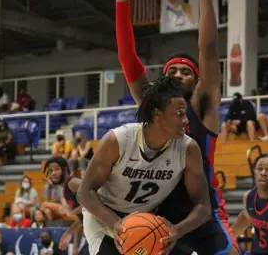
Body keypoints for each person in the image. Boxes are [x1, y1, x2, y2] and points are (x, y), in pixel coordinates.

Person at [116, 0, 239, 254]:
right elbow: (128, 59)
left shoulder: (202, 106)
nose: (179, 75)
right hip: (160, 212)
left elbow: (208, 48)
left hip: (202, 210)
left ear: (196, 81)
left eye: (186, 72)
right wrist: (122, 4)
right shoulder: (153, 107)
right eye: (172, 71)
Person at [77, 76, 211, 255]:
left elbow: (203, 206)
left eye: (185, 113)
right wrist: (116, 223)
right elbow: (84, 192)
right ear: (157, 114)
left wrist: (177, 230)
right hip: (104, 218)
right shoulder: (118, 140)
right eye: (179, 113)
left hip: (148, 222)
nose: (186, 120)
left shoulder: (189, 149)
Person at [43, 156, 83, 255]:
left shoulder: (73, 183)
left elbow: (96, 200)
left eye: (57, 169)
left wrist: (72, 212)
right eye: (50, 170)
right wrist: (70, 235)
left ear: (65, 169)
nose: (53, 173)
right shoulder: (65, 189)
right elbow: (83, 218)